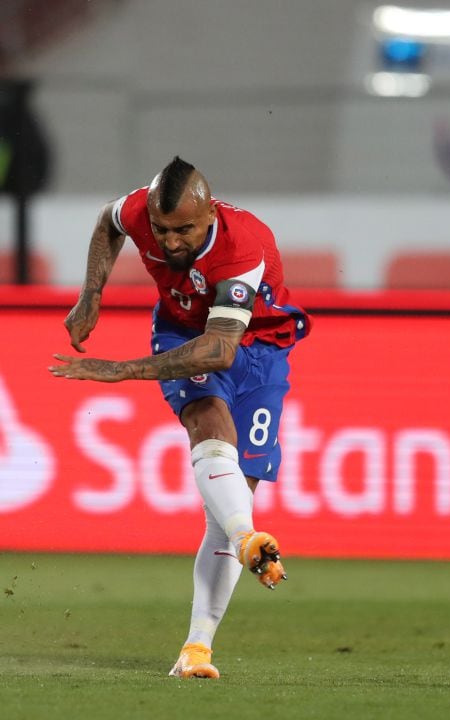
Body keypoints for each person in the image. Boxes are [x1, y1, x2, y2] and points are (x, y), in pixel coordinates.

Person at [49, 156, 310, 679]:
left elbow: (219, 351)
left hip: (255, 348)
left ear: (210, 213)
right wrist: (90, 295)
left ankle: (196, 648)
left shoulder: (242, 247)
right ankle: (247, 541)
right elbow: (108, 220)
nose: (170, 242)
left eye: (184, 229)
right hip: (179, 331)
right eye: (163, 230)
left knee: (228, 501)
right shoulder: (142, 210)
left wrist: (119, 370)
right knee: (207, 423)